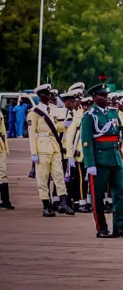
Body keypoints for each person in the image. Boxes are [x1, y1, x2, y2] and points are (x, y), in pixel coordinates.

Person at [82, 77, 123, 238]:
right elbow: (86, 141)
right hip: (100, 160)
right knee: (98, 196)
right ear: (94, 98)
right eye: (102, 96)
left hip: (115, 158)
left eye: (106, 95)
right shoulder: (90, 115)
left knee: (120, 194)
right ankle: (101, 228)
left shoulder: (113, 113)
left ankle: (119, 226)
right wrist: (90, 163)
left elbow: (118, 134)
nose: (105, 98)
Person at [28, 84, 75, 217]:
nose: (49, 97)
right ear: (40, 96)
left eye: (49, 95)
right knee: (43, 178)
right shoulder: (34, 112)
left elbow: (55, 129)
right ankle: (46, 205)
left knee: (59, 175)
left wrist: (64, 125)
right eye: (46, 95)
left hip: (54, 146)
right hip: (42, 147)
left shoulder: (52, 110)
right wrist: (34, 153)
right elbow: (32, 134)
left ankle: (64, 203)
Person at [61, 88, 89, 212]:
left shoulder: (87, 116)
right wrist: (69, 155)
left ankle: (82, 201)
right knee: (78, 179)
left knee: (84, 180)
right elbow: (71, 137)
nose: (86, 107)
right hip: (77, 154)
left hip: (87, 154)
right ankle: (80, 202)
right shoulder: (77, 118)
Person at [0, 108, 14, 209]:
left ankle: (5, 200)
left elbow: (3, 130)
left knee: (3, 173)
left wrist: (5, 146)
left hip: (0, 146)